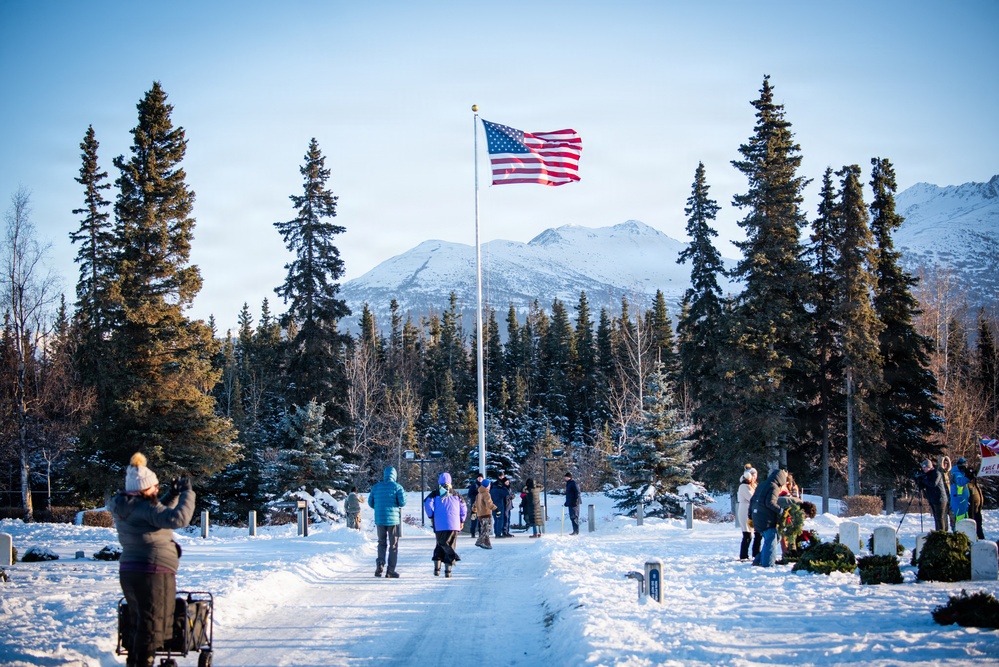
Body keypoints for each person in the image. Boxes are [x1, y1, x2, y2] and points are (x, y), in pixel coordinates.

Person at [109, 452, 196, 667]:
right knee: (152, 623)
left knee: (141, 620)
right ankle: (143, 663)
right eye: (154, 487)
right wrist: (187, 493)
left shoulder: (126, 505)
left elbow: (156, 514)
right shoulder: (144, 507)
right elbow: (178, 518)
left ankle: (136, 661)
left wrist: (172, 494)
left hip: (130, 571)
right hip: (153, 571)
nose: (156, 489)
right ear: (143, 489)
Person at [423, 472, 467, 577]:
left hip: (439, 524)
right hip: (454, 524)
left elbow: (427, 502)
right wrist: (462, 520)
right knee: (450, 544)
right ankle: (448, 570)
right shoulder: (456, 494)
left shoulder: (435, 493)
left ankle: (437, 568)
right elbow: (464, 508)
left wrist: (431, 515)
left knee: (440, 543)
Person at [368, 466, 406, 578]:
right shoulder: (397, 487)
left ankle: (380, 564)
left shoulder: (376, 487)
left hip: (380, 519)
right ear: (394, 475)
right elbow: (402, 502)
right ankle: (390, 571)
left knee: (381, 542)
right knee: (393, 545)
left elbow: (370, 502)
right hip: (393, 520)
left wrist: (379, 508)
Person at [750, 468, 788, 567]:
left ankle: (758, 560)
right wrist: (781, 511)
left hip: (757, 516)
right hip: (766, 519)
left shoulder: (762, 484)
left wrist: (750, 514)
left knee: (773, 539)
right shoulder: (774, 487)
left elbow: (752, 500)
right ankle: (768, 564)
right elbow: (770, 503)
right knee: (771, 538)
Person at [917, 459, 949, 532]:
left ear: (929, 467)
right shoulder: (927, 475)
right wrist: (919, 481)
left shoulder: (936, 473)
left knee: (940, 517)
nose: (923, 469)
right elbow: (923, 486)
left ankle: (942, 533)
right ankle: (938, 531)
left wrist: (923, 479)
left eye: (925, 467)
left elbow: (933, 484)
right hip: (932, 499)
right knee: (936, 517)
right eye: (923, 467)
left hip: (940, 499)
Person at [957, 457, 985, 539]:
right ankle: (977, 539)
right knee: (973, 522)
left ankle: (980, 538)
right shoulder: (960, 475)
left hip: (977, 502)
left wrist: (973, 475)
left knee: (978, 522)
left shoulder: (969, 474)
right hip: (970, 503)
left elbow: (974, 485)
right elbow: (962, 487)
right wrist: (969, 477)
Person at [736, 465, 758, 561]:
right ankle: (744, 555)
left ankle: (755, 553)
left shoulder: (751, 486)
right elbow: (752, 498)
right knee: (747, 534)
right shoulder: (744, 486)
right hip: (745, 510)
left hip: (751, 510)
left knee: (754, 533)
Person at [474, 478, 497, 549]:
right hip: (486, 514)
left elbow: (475, 504)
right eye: (489, 485)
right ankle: (479, 541)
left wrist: (474, 511)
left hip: (480, 514)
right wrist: (496, 509)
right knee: (486, 529)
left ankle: (487, 544)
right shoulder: (486, 493)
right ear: (487, 486)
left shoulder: (479, 494)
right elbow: (489, 503)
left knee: (484, 528)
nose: (490, 486)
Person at [949, 457, 971, 528]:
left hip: (963, 500)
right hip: (958, 501)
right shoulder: (957, 474)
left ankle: (964, 533)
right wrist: (968, 478)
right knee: (959, 519)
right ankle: (958, 534)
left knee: (964, 519)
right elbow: (960, 482)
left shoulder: (961, 473)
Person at [490, 472, 510, 538]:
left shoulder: (492, 489)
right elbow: (507, 493)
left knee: (496, 519)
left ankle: (496, 532)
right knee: (500, 519)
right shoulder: (500, 490)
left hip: (493, 505)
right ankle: (499, 533)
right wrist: (505, 487)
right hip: (500, 505)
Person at [496, 471, 515, 536]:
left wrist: (512, 496)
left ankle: (506, 530)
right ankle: (503, 531)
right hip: (503, 504)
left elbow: (510, 493)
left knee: (507, 518)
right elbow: (502, 494)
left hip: (508, 504)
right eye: (500, 476)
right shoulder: (498, 484)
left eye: (502, 476)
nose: (501, 477)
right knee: (504, 518)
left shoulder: (508, 486)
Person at [466, 473, 483, 538]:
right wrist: (476, 497)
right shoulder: (473, 485)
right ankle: (472, 532)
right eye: (479, 478)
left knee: (480, 519)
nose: (480, 479)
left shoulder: (483, 485)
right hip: (474, 506)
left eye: (481, 478)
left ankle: (480, 532)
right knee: (473, 519)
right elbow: (470, 494)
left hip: (481, 506)